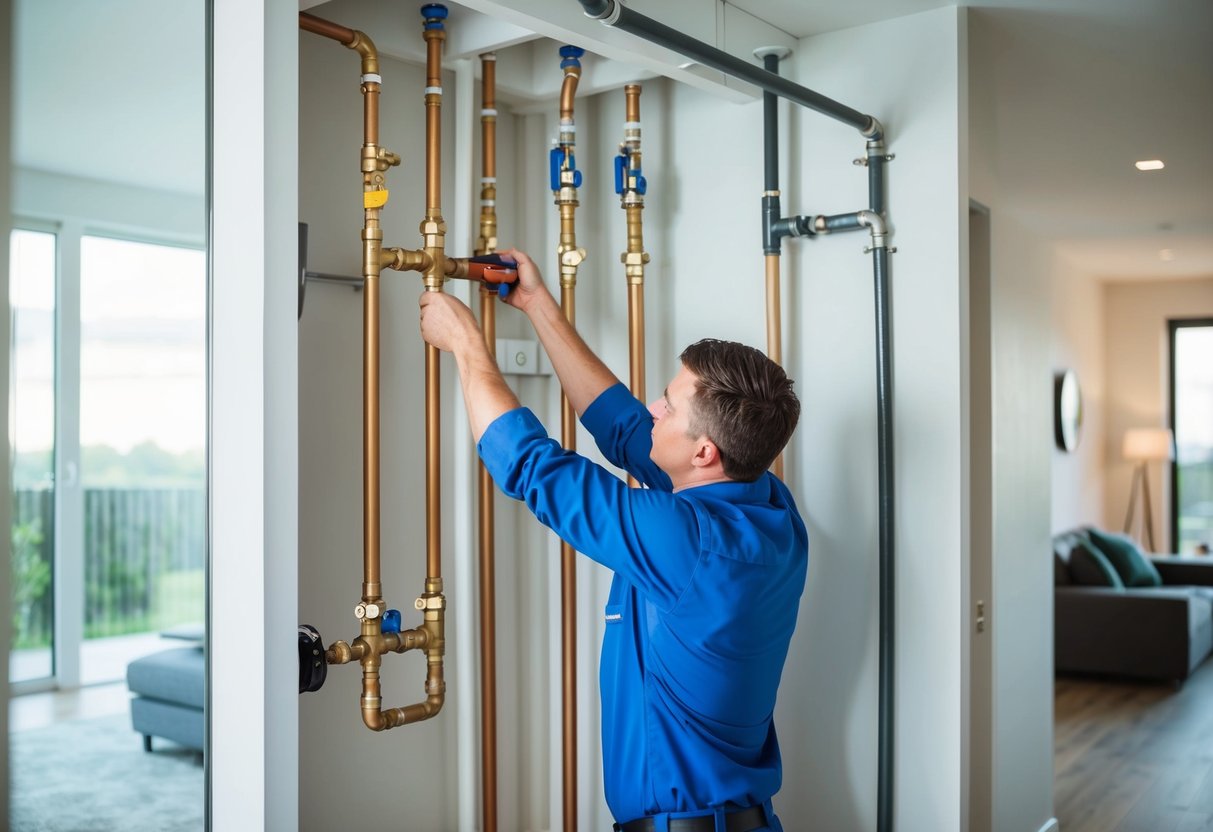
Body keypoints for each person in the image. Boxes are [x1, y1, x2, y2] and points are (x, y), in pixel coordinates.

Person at [418, 247, 808, 832]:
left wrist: (468, 345)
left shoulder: (687, 542)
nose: (654, 406)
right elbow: (627, 429)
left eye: (669, 405)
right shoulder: (771, 511)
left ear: (705, 453)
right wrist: (536, 304)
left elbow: (533, 468)